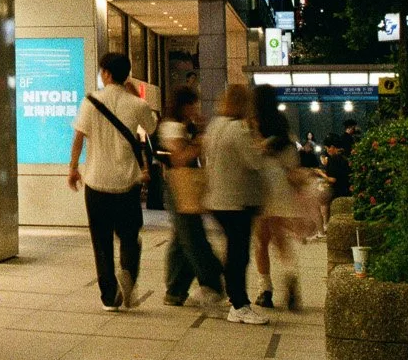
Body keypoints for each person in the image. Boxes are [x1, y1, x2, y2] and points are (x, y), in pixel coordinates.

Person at [67, 53, 156, 310]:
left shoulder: (91, 101)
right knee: (130, 236)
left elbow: (78, 138)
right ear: (126, 74)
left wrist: (73, 169)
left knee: (101, 241)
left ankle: (110, 297)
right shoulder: (137, 104)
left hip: (96, 183)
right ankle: (128, 270)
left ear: (106, 73)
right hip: (128, 183)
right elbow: (151, 130)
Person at [204, 83, 270, 325]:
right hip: (238, 201)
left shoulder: (215, 125)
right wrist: (260, 143)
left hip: (217, 198)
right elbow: (254, 162)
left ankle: (234, 298)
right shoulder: (239, 130)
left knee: (233, 251)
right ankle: (239, 304)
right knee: (239, 254)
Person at [155, 86, 225, 311]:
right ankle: (213, 281)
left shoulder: (184, 126)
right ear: (184, 105)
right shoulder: (172, 127)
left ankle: (175, 290)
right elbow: (179, 158)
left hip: (184, 187)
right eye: (193, 103)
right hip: (179, 186)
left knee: (181, 239)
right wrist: (200, 140)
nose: (196, 108)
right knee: (193, 238)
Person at [251, 87, 303, 311]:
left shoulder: (253, 124)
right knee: (280, 238)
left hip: (261, 186)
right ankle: (290, 273)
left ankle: (265, 289)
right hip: (280, 185)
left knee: (261, 241)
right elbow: (293, 162)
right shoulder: (282, 126)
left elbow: (249, 155)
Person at [323, 135, 353, 203]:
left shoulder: (333, 159)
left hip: (337, 195)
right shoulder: (345, 156)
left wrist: (319, 174)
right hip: (347, 193)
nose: (327, 151)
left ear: (332, 147)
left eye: (327, 148)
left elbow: (333, 179)